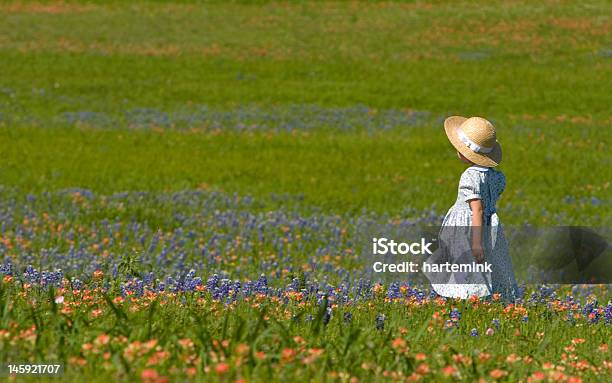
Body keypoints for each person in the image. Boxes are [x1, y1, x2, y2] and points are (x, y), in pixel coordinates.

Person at [424, 116, 519, 301]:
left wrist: (476, 243)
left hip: (468, 228)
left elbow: (477, 210)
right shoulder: (497, 176)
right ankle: (489, 297)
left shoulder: (469, 176)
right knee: (488, 264)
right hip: (489, 226)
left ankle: (465, 299)